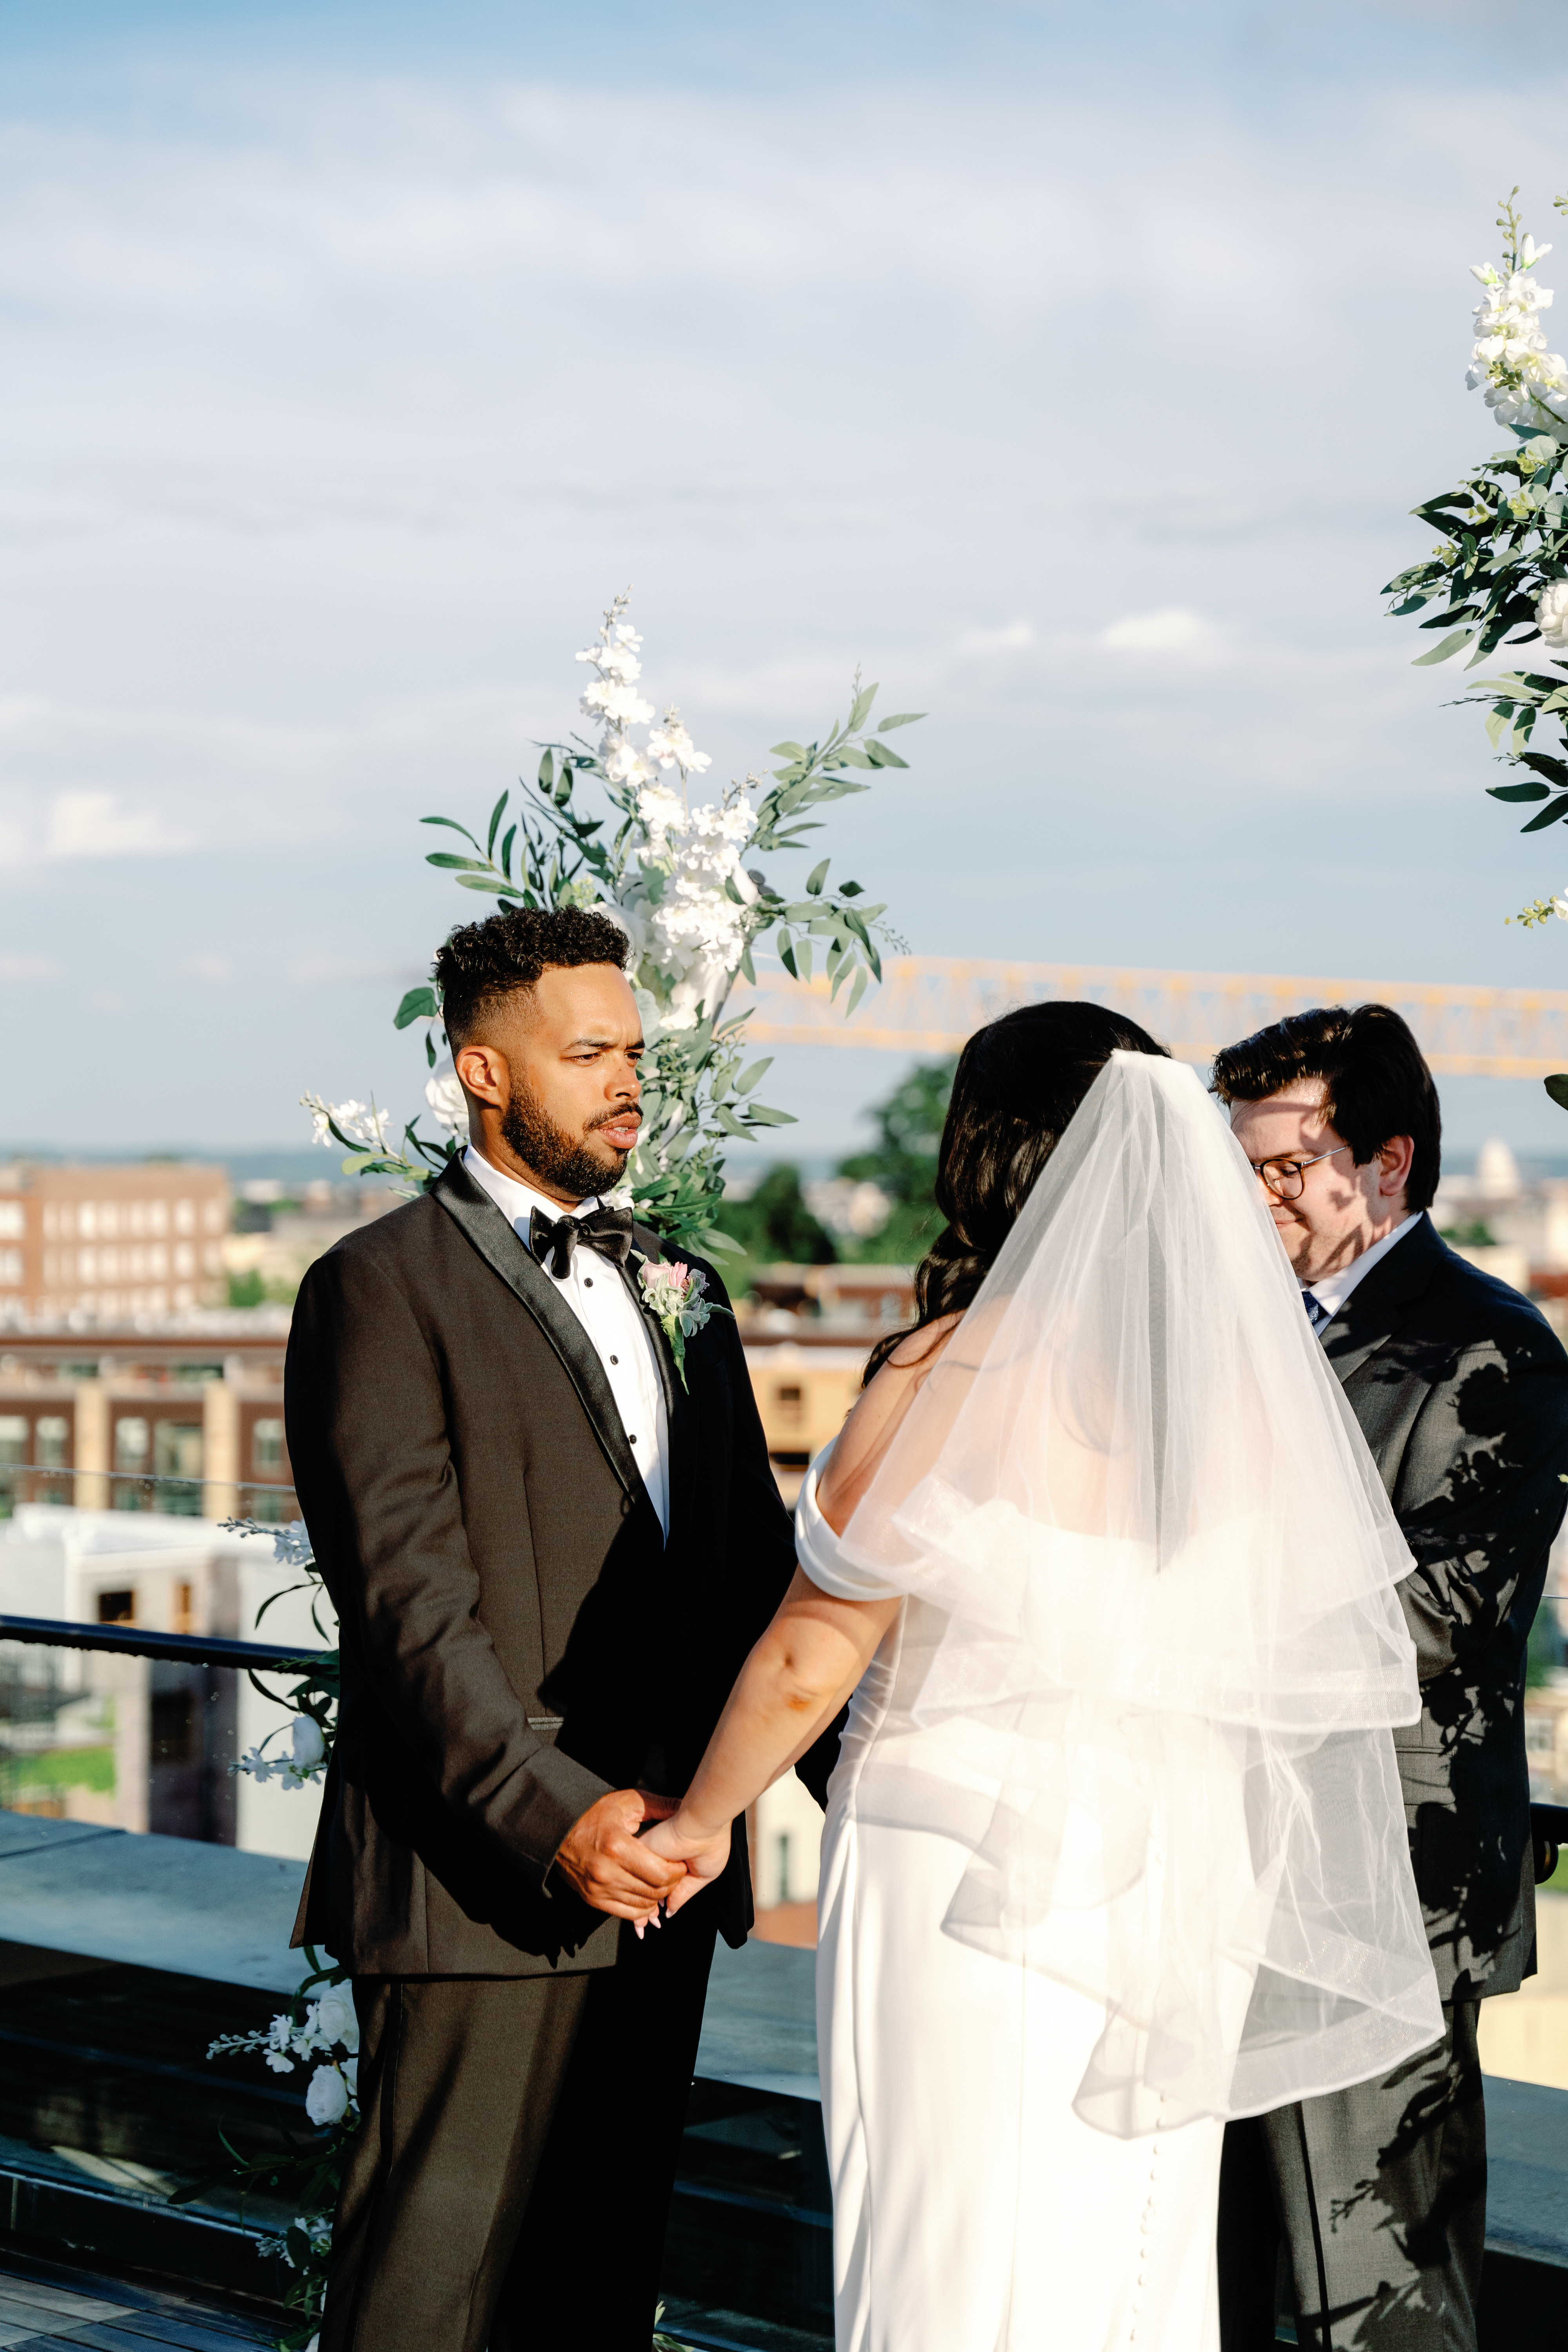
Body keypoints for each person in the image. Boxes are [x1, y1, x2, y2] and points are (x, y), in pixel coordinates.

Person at [644, 1003, 1442, 2352]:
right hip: (1159, 1884)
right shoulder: (1235, 1390)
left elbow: (807, 1652)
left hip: (954, 1876)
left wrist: (697, 1821)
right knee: (1115, 2250)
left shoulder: (952, 1372)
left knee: (951, 2236)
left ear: (986, 1151)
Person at [283, 904, 803, 2352]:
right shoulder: (375, 1289)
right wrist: (557, 1819)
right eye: (589, 1054)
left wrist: (857, 1782)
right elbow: (406, 1608)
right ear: (484, 1073)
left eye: (634, 1050)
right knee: (426, 2305)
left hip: (672, 1876)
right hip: (483, 1891)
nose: (627, 1080)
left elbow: (758, 1570)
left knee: (598, 2291)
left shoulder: (683, 1282)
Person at [1210, 1003, 1568, 2352]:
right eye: (1243, 1166)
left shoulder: (1490, 1346)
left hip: (1390, 1890)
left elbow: (1448, 1620)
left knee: (1378, 2299)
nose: (1259, 1198)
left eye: (1287, 1167)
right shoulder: (1242, 1327)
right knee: (1245, 2285)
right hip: (1231, 1871)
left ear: (1392, 1164)